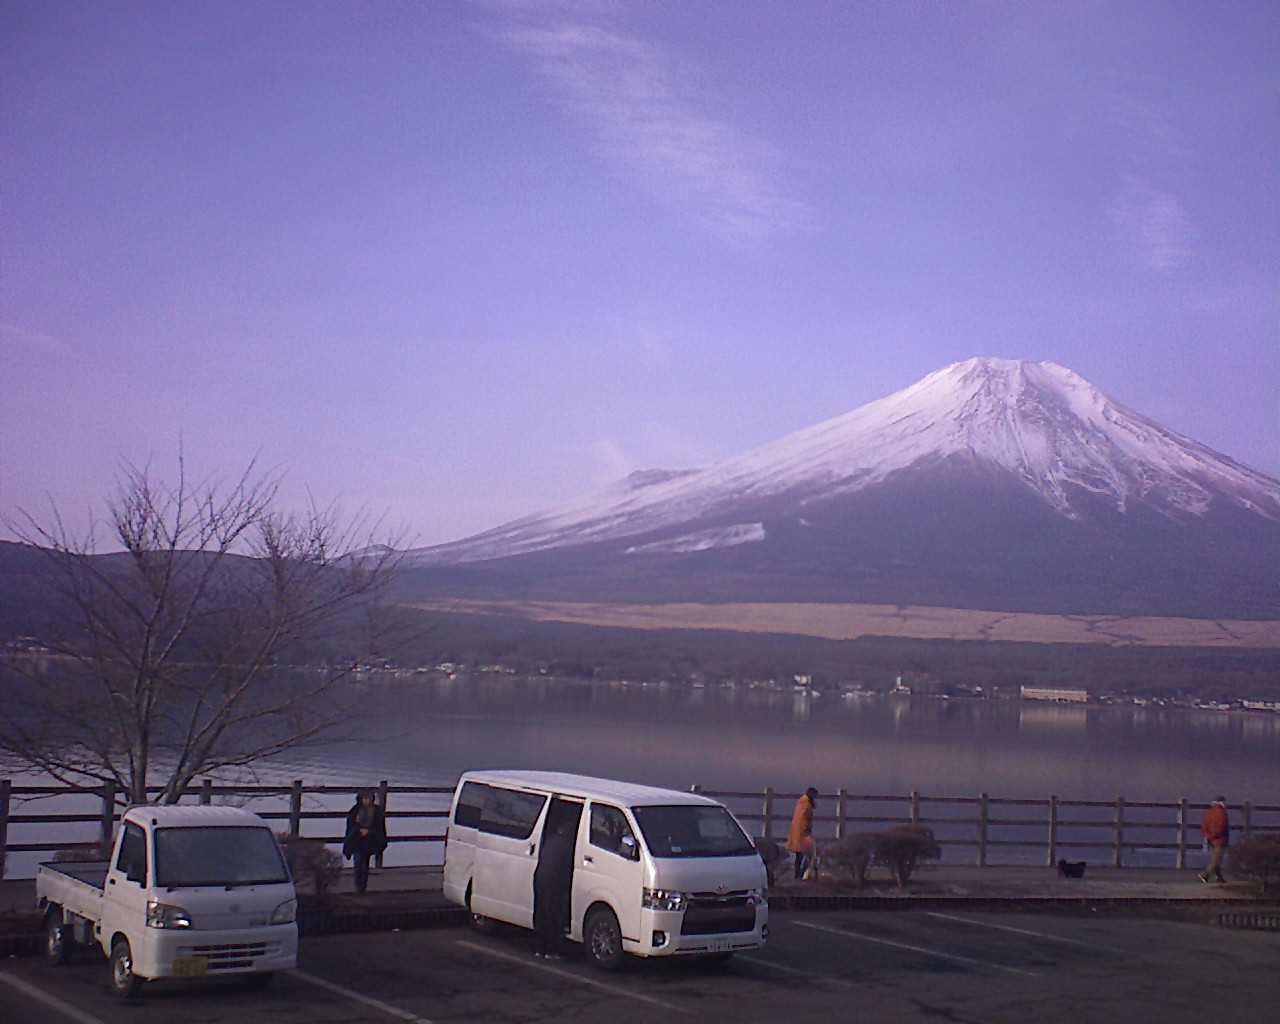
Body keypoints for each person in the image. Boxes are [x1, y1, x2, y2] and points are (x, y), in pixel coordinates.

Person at [532, 816, 576, 958]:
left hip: (540, 878)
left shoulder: (551, 840)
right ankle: (552, 951)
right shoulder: (567, 845)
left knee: (541, 914)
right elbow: (567, 867)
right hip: (553, 881)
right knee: (553, 916)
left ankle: (539, 948)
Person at [343, 789, 388, 894]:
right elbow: (350, 826)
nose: (366, 801)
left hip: (370, 840)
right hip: (357, 840)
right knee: (358, 862)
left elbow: (379, 827)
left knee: (365, 864)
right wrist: (358, 830)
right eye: (364, 798)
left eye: (368, 798)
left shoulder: (376, 811)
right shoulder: (355, 810)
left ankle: (362, 886)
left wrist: (370, 831)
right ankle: (359, 886)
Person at [787, 787, 818, 881]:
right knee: (807, 854)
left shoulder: (801, 802)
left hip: (798, 832)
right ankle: (801, 875)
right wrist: (807, 829)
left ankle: (798, 874)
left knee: (800, 855)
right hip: (803, 833)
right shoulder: (806, 805)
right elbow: (804, 818)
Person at [1198, 795, 1230, 884]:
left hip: (1211, 839)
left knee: (1216, 858)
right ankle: (1205, 874)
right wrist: (1214, 835)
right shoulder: (1222, 813)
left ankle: (1218, 877)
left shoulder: (1209, 812)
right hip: (1219, 839)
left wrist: (1207, 836)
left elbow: (1204, 825)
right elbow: (1221, 827)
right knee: (1216, 860)